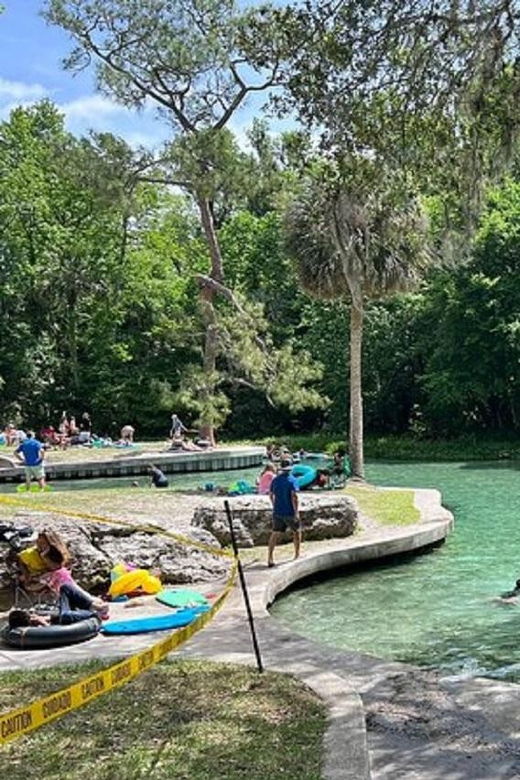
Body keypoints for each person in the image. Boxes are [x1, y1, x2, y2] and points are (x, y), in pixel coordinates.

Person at [8, 581, 108, 628]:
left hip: (65, 614)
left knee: (65, 587)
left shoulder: (35, 619)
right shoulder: (34, 628)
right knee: (65, 615)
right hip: (65, 618)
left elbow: (53, 617)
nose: (31, 615)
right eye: (28, 615)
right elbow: (51, 631)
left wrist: (47, 617)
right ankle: (96, 614)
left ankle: (94, 606)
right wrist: (44, 623)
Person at [268, 459, 301, 567]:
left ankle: (270, 557)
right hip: (289, 511)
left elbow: (271, 495)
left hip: (277, 511)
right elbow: (294, 497)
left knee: (275, 533)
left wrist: (274, 505)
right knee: (296, 532)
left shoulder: (275, 480)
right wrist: (296, 512)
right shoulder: (292, 480)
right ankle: (297, 554)